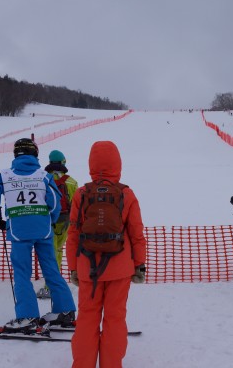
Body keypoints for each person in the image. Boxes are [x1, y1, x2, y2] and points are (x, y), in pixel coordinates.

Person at [66, 141, 146, 368]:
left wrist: (73, 267)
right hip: (119, 269)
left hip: (86, 268)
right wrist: (139, 264)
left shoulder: (81, 194)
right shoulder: (127, 194)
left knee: (87, 319)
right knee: (114, 319)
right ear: (117, 164)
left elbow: (73, 233)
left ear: (92, 164)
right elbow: (136, 234)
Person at [0, 138, 76, 333]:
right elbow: (56, 204)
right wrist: (49, 220)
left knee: (22, 274)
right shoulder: (43, 175)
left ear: (16, 154)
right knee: (51, 269)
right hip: (44, 229)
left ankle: (27, 316)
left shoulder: (5, 175)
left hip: (19, 230)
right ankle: (65, 311)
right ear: (35, 154)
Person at [36, 149, 78, 299]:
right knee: (58, 251)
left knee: (49, 254)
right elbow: (76, 205)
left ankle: (50, 286)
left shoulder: (42, 179)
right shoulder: (71, 182)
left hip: (47, 222)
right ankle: (54, 284)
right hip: (65, 222)